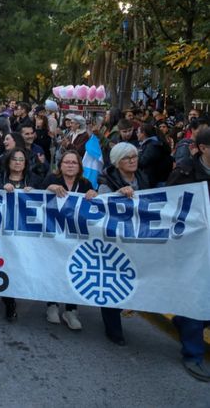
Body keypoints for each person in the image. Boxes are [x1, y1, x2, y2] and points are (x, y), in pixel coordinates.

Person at [166, 128, 210, 382]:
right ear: (203, 149)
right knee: (198, 295)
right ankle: (193, 354)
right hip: (193, 247)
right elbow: (170, 205)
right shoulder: (184, 172)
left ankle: (183, 321)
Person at [97, 143, 150, 346]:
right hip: (116, 241)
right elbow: (101, 209)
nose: (133, 160)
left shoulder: (143, 178)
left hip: (139, 238)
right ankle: (113, 328)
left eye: (135, 156)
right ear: (118, 162)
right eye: (127, 158)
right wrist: (118, 194)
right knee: (113, 281)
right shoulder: (106, 181)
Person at [42, 150, 97, 331]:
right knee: (54, 268)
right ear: (61, 165)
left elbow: (94, 201)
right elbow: (38, 196)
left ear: (79, 166)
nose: (70, 165)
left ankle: (71, 310)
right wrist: (50, 189)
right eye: (67, 162)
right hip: (55, 234)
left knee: (74, 270)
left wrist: (92, 193)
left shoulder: (85, 183)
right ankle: (52, 305)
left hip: (76, 236)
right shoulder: (52, 179)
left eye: (74, 162)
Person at [0, 148, 43, 322]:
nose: (18, 162)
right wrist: (0, 189)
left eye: (21, 159)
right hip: (5, 233)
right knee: (8, 267)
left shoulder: (34, 180)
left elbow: (46, 200)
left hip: (27, 233)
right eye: (14, 159)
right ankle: (9, 302)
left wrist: (34, 192)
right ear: (8, 162)